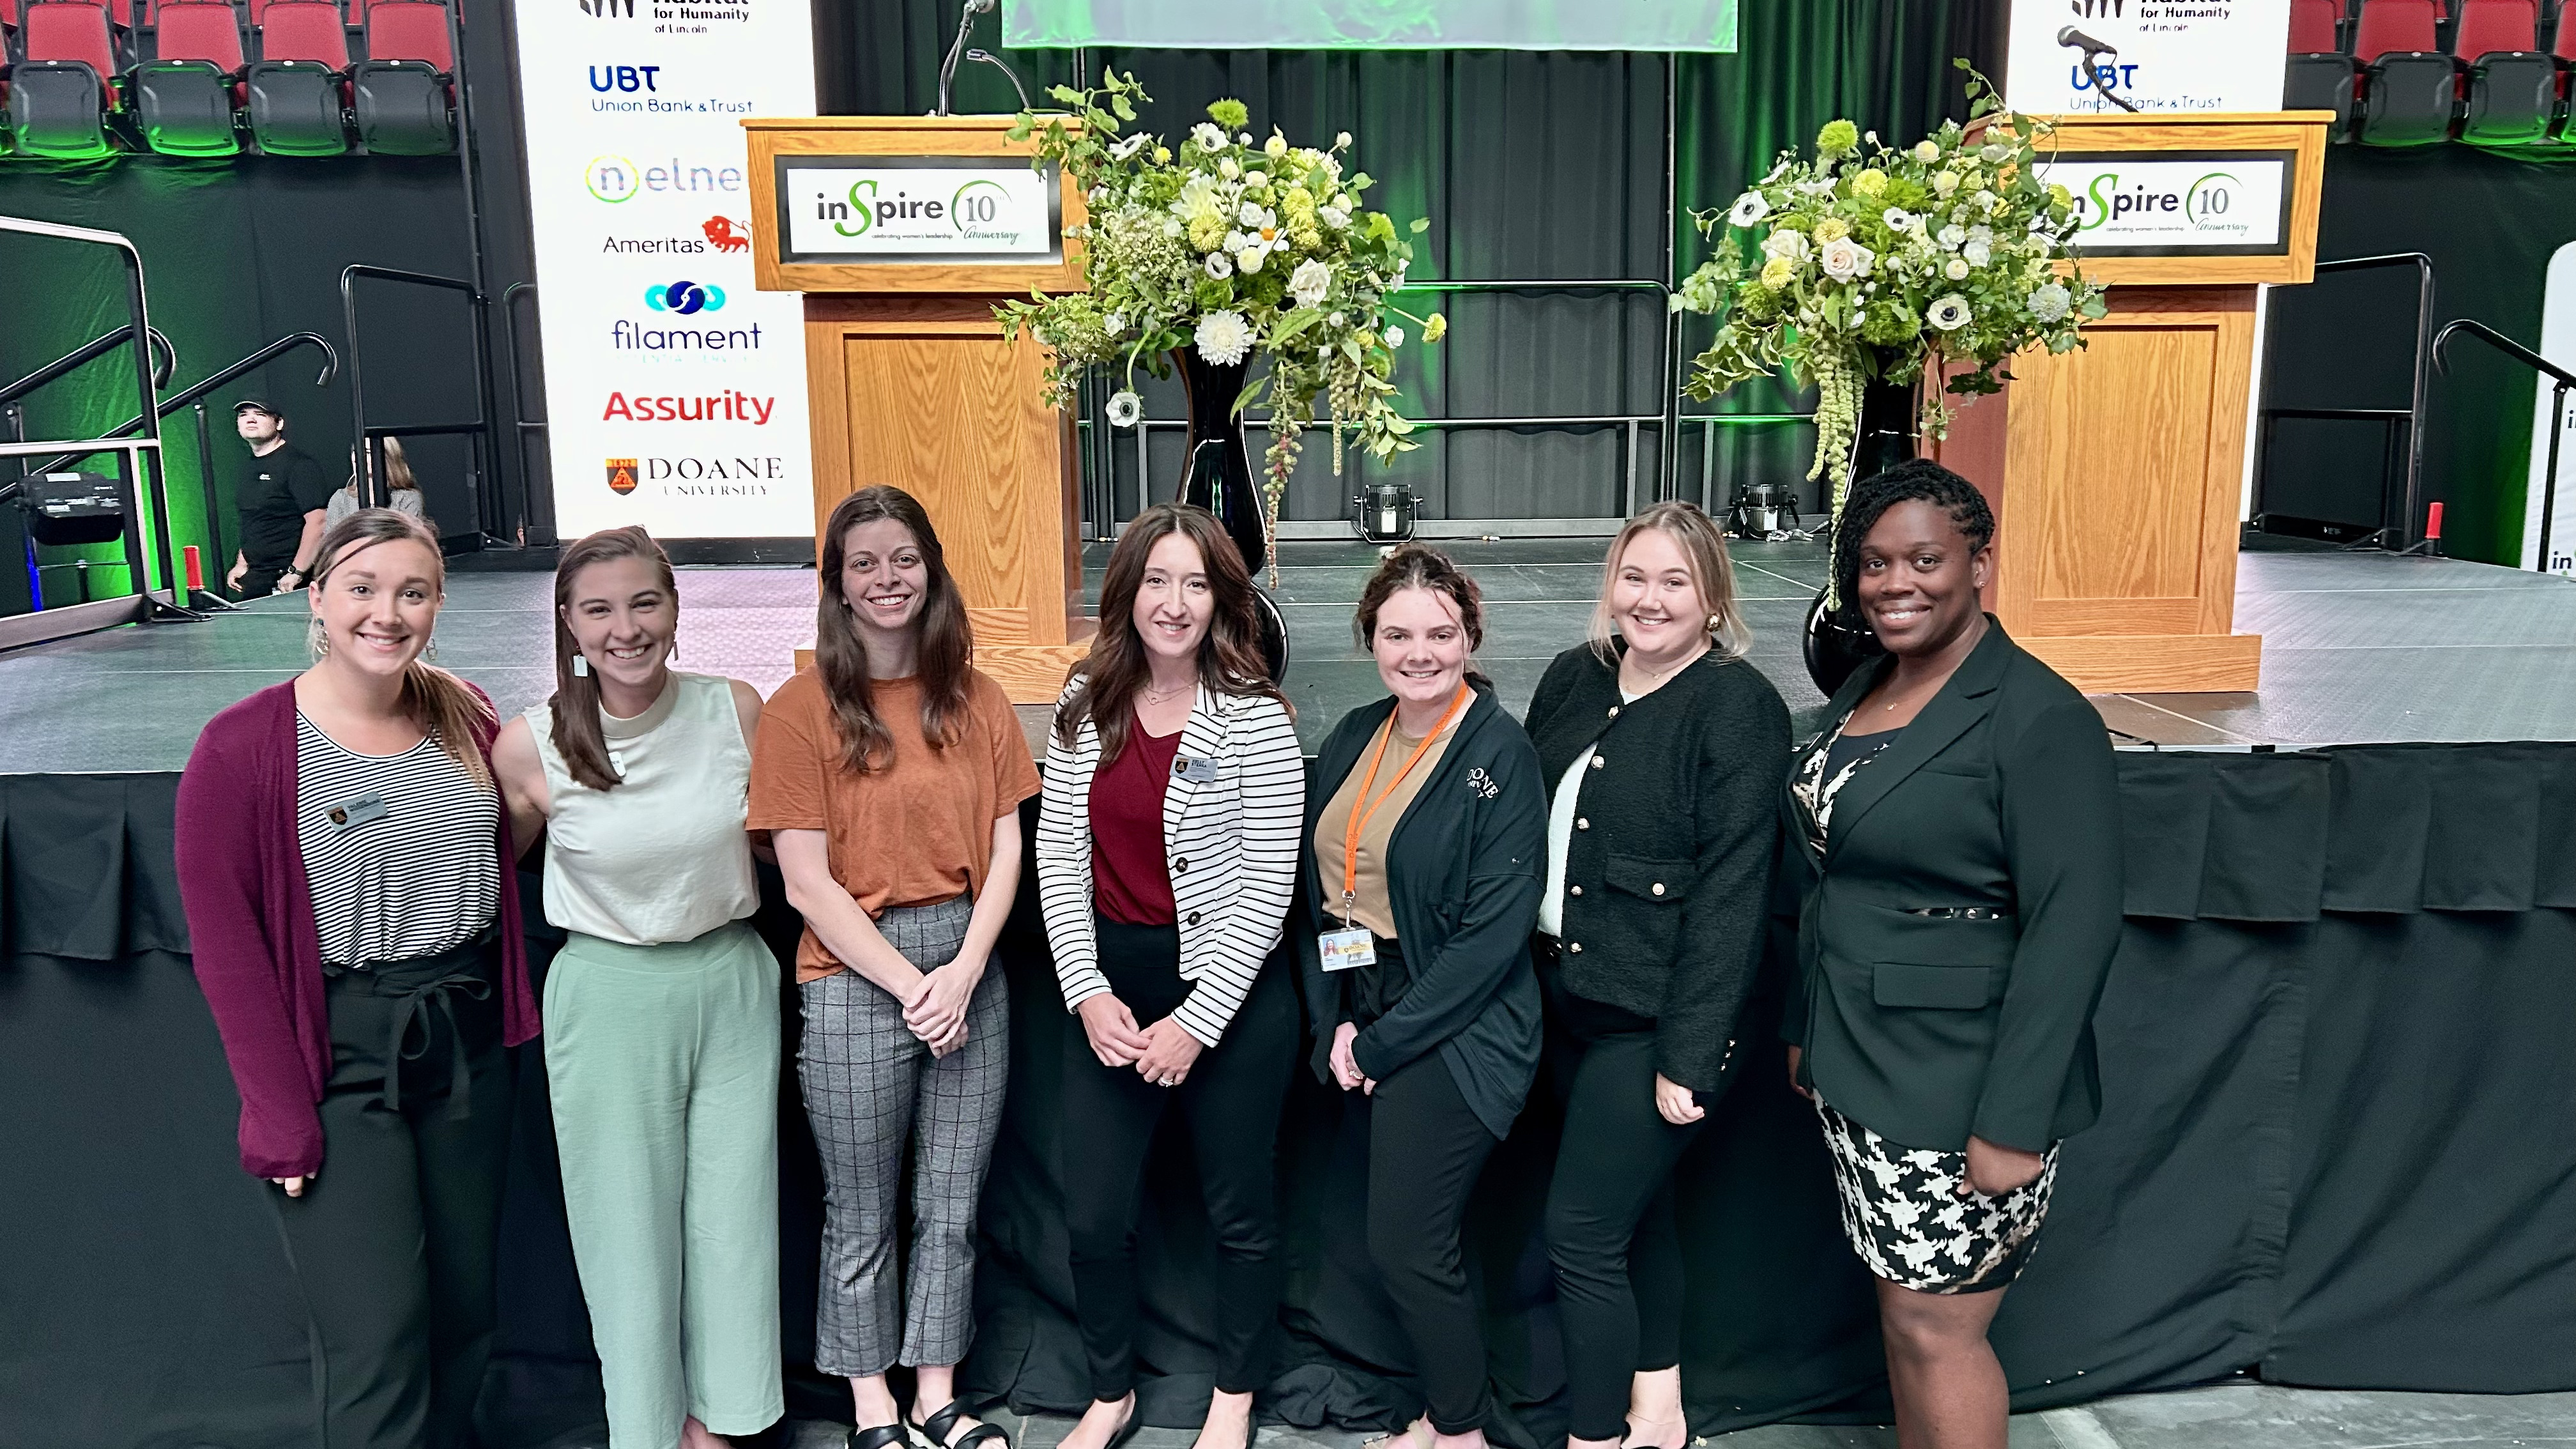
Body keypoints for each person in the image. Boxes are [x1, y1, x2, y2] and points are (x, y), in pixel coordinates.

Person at [174, 507, 537, 1449]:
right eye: (364, 589)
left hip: (464, 1042)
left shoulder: (467, 713)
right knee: (379, 1338)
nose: (388, 613)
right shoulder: (243, 747)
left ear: (439, 604)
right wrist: (281, 1116)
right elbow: (227, 948)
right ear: (319, 597)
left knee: (466, 1317)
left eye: (413, 592)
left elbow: (502, 858)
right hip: (336, 1056)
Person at [1781, 460, 2122, 1449]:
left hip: (1960, 1085)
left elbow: (2075, 926)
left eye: (1925, 560)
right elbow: (1833, 879)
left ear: (1980, 561)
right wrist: (1808, 1032)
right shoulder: (1871, 686)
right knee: (1907, 1313)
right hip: (1864, 1065)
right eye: (1876, 564)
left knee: (1940, 1327)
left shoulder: (2039, 717)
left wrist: (2013, 1122)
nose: (1897, 585)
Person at [747, 485, 1039, 1449]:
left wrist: (960, 975)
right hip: (851, 977)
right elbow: (803, 882)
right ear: (835, 582)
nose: (887, 580)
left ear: (932, 569)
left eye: (903, 559)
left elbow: (1008, 856)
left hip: (969, 965)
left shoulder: (978, 696)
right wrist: (914, 987)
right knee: (861, 1211)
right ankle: (873, 1406)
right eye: (864, 562)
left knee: (952, 1205)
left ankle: (937, 1396)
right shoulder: (799, 710)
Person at [490, 526, 781, 1449]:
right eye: (600, 609)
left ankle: (726, 1424)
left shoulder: (736, 708)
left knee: (736, 1220)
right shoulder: (530, 744)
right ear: (570, 625)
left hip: (732, 980)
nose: (626, 628)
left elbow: (782, 844)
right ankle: (647, 1431)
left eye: (644, 603)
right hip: (609, 994)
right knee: (628, 1232)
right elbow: (500, 871)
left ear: (677, 610)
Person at [1034, 503, 1305, 1449]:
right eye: (1157, 580)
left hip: (1228, 1001)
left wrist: (1198, 1021)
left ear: (1221, 598)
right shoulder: (1083, 705)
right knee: (1096, 1219)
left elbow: (1269, 888)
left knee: (1241, 1213)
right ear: (1128, 592)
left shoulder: (1258, 721)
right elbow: (1058, 864)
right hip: (1113, 992)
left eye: (1195, 583)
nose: (1175, 602)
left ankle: (1234, 1399)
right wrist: (1086, 991)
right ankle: (1111, 1395)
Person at [1521, 502, 1788, 1449]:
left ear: (1713, 598)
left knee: (1583, 1237)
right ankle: (1659, 1417)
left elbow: (1733, 899)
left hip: (1654, 1019)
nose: (1650, 599)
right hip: (1559, 1004)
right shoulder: (1572, 677)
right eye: (1635, 577)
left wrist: (1690, 1055)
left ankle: (1594, 1438)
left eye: (1676, 581)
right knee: (1640, 1220)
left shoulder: (1738, 707)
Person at [1295, 544, 1545, 1449]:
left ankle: (1461, 1432)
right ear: (1371, 639)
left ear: (1470, 635)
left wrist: (1379, 1044)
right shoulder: (1358, 729)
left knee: (1408, 1245)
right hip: (1373, 999)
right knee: (1409, 1243)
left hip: (1464, 1021)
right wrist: (1340, 1021)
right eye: (1399, 634)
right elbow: (1327, 890)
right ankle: (1451, 1419)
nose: (1421, 653)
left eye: (1441, 633)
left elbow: (1488, 943)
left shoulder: (1499, 752)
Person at [226, 398, 336, 598]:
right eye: (244, 415)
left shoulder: (299, 466)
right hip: (257, 577)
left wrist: (296, 572)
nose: (251, 420)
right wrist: (242, 563)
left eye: (260, 415)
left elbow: (318, 521)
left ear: (279, 424)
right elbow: (254, 520)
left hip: (287, 579)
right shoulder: (248, 467)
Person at [327, 436, 432, 531]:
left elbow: (408, 541)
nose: (358, 458)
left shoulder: (407, 498)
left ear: (386, 458)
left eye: (367, 452)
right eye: (356, 452)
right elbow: (332, 546)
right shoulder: (341, 499)